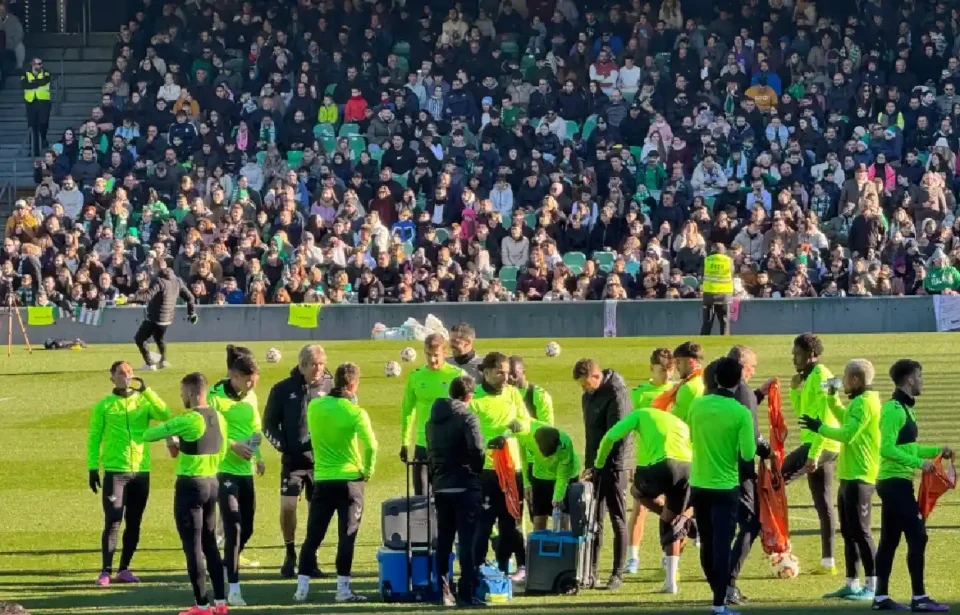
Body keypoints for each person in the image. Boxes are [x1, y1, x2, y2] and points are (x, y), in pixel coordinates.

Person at [871, 359, 953, 612]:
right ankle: (919, 598)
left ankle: (881, 598)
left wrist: (937, 451)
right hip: (894, 483)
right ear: (909, 379)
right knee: (918, 535)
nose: (922, 380)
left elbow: (909, 447)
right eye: (920, 375)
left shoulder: (905, 410)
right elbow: (886, 448)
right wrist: (920, 463)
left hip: (896, 482)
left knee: (889, 540)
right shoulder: (894, 410)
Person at [143, 373, 229, 615]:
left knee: (193, 547)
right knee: (211, 544)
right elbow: (221, 451)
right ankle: (220, 604)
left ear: (191, 392)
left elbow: (148, 435)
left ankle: (201, 605)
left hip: (190, 486)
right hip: (212, 483)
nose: (181, 396)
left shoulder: (189, 419)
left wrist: (170, 437)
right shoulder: (219, 417)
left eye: (182, 392)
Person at [294, 363, 378, 603]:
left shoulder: (315, 406)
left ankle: (301, 589)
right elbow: (372, 445)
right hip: (350, 481)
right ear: (353, 384)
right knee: (347, 536)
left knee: (313, 536)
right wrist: (367, 471)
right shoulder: (356, 412)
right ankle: (342, 590)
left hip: (322, 480)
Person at [799, 359, 881, 602]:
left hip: (861, 476)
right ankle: (851, 583)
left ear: (855, 380)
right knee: (848, 532)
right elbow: (845, 419)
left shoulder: (866, 404)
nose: (842, 380)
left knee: (862, 532)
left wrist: (820, 428)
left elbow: (847, 434)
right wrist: (831, 398)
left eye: (844, 377)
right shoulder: (859, 402)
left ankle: (873, 585)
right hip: (848, 476)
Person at [594, 392, 692, 594]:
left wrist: (598, 465)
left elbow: (610, 437)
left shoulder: (640, 413)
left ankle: (676, 519)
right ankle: (670, 582)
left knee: (636, 491)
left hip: (661, 465)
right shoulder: (678, 422)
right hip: (688, 468)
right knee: (671, 520)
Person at [87, 361, 169, 587]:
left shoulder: (142, 402)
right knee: (113, 521)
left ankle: (124, 568)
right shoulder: (104, 406)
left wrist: (147, 391)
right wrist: (93, 467)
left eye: (129, 373)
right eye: (121, 373)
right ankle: (105, 571)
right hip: (116, 472)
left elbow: (165, 413)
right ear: (112, 377)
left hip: (141, 472)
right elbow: (95, 437)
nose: (126, 377)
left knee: (134, 523)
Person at [687, 357, 756, 615]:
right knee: (723, 545)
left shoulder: (697, 406)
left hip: (700, 484)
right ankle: (719, 602)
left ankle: (715, 593)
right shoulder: (741, 413)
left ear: (715, 379)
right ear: (738, 382)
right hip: (726, 487)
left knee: (706, 541)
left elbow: (692, 437)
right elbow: (747, 454)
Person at [262, 344, 334, 578]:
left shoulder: (331, 387)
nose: (318, 369)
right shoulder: (282, 389)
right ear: (302, 365)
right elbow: (268, 425)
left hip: (321, 462)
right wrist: (284, 447)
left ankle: (311, 556)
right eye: (313, 364)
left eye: (321, 364)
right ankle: (290, 552)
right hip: (292, 463)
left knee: (317, 513)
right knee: (288, 508)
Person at [781, 333, 841, 575]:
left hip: (822, 444)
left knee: (774, 481)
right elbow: (803, 416)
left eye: (797, 353)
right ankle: (828, 563)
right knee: (823, 501)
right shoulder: (813, 377)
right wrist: (794, 390)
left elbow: (828, 416)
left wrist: (815, 453)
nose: (793, 357)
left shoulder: (822, 376)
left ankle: (776, 545)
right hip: (824, 443)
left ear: (811, 354)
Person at [208, 352, 264, 607]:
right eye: (248, 380)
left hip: (246, 471)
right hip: (223, 470)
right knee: (234, 526)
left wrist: (258, 454)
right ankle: (233, 589)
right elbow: (208, 431)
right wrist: (233, 446)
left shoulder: (250, 397)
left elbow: (255, 428)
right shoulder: (215, 397)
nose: (252, 385)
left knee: (248, 528)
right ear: (234, 376)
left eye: (255, 381)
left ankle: (220, 566)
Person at [469, 351, 530, 581]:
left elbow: (525, 424)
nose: (506, 377)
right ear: (485, 373)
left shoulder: (513, 394)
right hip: (485, 471)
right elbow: (468, 434)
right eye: (500, 373)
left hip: (512, 469)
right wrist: (486, 445)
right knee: (483, 524)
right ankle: (476, 570)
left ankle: (505, 569)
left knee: (510, 522)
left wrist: (512, 429)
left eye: (507, 372)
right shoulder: (474, 399)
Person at [426, 374, 485, 607]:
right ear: (469, 396)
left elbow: (431, 453)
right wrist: (476, 471)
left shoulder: (432, 421)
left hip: (442, 486)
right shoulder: (468, 417)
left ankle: (443, 589)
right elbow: (477, 448)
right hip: (465, 484)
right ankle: (467, 593)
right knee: (468, 540)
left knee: (444, 539)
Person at [575, 357, 632, 592]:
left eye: (586, 384)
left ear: (596, 376)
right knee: (593, 520)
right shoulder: (587, 395)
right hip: (594, 467)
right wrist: (591, 465)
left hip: (616, 466)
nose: (584, 389)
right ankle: (592, 572)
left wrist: (602, 464)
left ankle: (617, 574)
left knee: (617, 518)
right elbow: (591, 434)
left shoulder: (617, 394)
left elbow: (618, 436)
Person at [725, 346, 774, 606]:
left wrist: (760, 394)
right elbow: (752, 434)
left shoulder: (718, 387)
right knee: (751, 523)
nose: (754, 371)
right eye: (752, 366)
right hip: (739, 468)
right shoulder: (742, 390)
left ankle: (722, 584)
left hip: (716, 466)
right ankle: (728, 585)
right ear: (742, 366)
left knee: (722, 526)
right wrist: (768, 453)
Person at [623, 347, 676, 574]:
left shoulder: (678, 392)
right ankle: (633, 558)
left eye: (669, 370)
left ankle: (669, 556)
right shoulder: (639, 395)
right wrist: (630, 462)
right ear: (651, 368)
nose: (666, 374)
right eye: (662, 369)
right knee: (640, 509)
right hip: (646, 461)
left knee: (672, 511)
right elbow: (626, 429)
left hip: (674, 460)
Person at [400, 333, 464, 496]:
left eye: (436, 355)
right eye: (428, 355)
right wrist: (405, 442)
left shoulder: (457, 376)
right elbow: (407, 410)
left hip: (448, 448)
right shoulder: (415, 377)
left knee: (445, 497)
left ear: (445, 353)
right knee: (420, 498)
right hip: (423, 445)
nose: (432, 360)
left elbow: (468, 412)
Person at [516, 421, 581, 531]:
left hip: (566, 475)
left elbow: (562, 475)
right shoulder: (525, 435)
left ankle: (563, 545)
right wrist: (526, 483)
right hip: (540, 476)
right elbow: (523, 458)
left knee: (563, 519)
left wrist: (557, 496)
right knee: (538, 520)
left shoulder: (565, 444)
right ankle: (538, 546)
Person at [134, 264, 198, 371]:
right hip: (167, 319)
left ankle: (150, 364)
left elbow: (147, 296)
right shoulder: (178, 281)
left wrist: (129, 299)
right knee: (159, 338)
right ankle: (163, 361)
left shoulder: (159, 281)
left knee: (139, 339)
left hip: (155, 317)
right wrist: (191, 313)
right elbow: (190, 298)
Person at [669, 342, 706, 423]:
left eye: (678, 362)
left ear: (690, 361)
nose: (677, 367)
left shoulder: (688, 388)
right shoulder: (703, 382)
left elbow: (672, 420)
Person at [701, 243, 734, 335]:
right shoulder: (729, 260)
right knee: (725, 321)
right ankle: (725, 341)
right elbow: (732, 273)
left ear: (712, 250)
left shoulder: (706, 260)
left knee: (707, 321)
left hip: (709, 294)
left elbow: (701, 274)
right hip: (725, 294)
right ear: (723, 250)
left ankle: (703, 341)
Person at [21, 57, 50, 156]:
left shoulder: (46, 72)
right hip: (31, 102)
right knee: (32, 126)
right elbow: (25, 85)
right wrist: (37, 82)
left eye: (41, 63)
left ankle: (43, 137)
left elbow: (44, 81)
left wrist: (33, 82)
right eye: (38, 64)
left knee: (43, 123)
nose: (40, 65)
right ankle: (34, 150)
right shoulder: (26, 73)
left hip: (43, 102)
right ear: (33, 64)